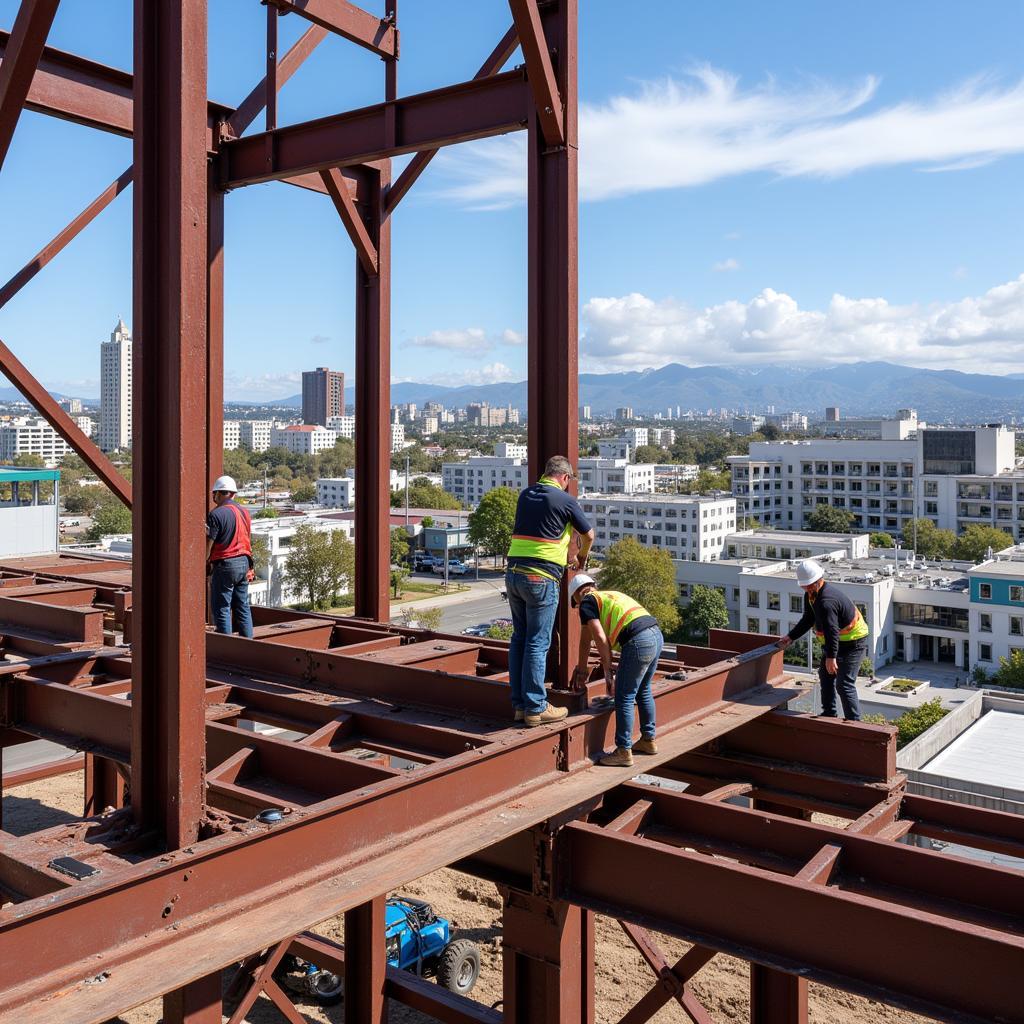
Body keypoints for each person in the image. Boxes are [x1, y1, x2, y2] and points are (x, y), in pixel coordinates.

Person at [505, 455, 595, 727]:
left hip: (514, 573)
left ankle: (520, 705)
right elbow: (588, 535)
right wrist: (582, 559)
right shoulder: (566, 501)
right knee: (537, 641)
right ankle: (536, 706)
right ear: (565, 478)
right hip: (541, 577)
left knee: (519, 638)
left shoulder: (526, 495)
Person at [569, 574, 662, 767]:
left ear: (578, 594)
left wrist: (607, 669)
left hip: (638, 640)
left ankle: (623, 751)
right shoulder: (609, 596)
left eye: (575, 602)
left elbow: (600, 638)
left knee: (624, 696)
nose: (578, 607)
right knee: (643, 690)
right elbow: (586, 640)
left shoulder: (587, 601)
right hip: (655, 635)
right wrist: (582, 668)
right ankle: (648, 740)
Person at [777, 559, 868, 721]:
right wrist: (791, 637)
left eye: (808, 585)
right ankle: (829, 714)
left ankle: (854, 722)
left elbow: (832, 630)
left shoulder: (827, 601)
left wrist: (831, 657)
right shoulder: (811, 595)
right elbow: (808, 619)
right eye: (804, 586)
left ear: (818, 581)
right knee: (825, 676)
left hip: (853, 644)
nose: (805, 588)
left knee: (844, 684)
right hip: (836, 643)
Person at [206, 475, 255, 638]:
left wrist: (204, 561)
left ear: (220, 493)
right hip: (244, 563)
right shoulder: (245, 512)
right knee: (242, 606)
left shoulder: (216, 514)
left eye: (215, 494)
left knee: (222, 606)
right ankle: (248, 643)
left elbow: (209, 543)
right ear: (233, 493)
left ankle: (226, 645)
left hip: (226, 564)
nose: (214, 497)